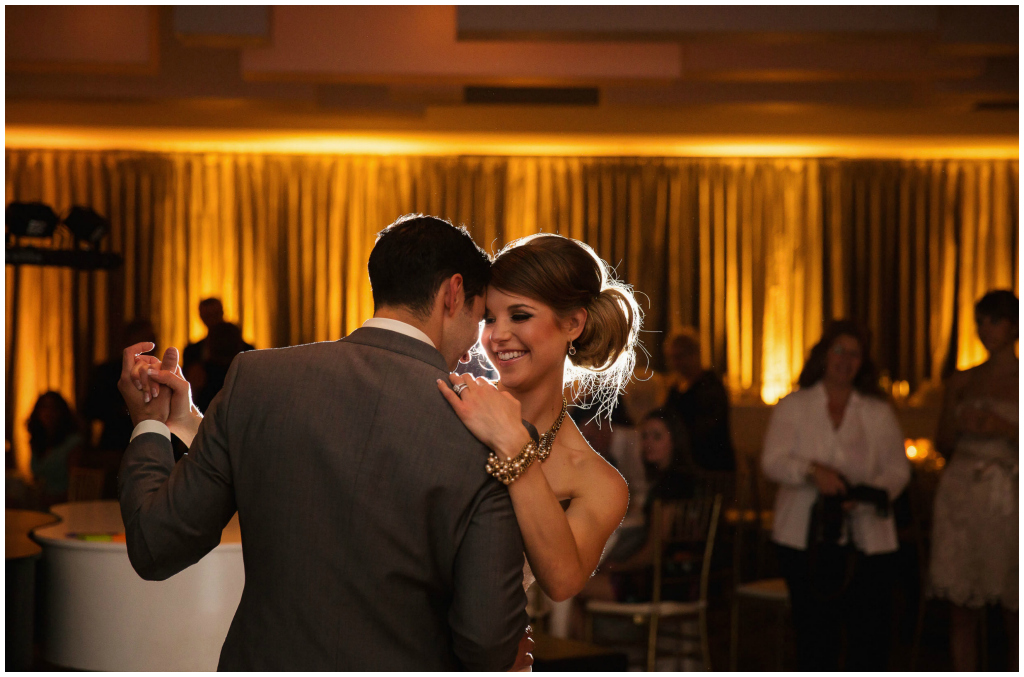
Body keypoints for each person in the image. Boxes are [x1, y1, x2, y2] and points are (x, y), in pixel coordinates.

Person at [117, 215, 532, 670]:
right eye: (480, 315)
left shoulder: (255, 380)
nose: (477, 343)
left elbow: (157, 545)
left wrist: (151, 422)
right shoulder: (487, 430)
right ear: (452, 294)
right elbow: (486, 643)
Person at [436, 233, 634, 604]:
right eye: (489, 318)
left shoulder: (599, 484)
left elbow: (562, 582)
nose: (498, 336)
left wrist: (514, 446)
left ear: (573, 323)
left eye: (520, 315)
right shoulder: (455, 402)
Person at [761, 319, 910, 671]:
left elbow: (898, 470)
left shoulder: (877, 412)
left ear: (863, 363)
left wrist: (866, 493)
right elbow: (773, 461)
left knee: (867, 635)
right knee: (814, 633)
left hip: (866, 538)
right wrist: (813, 472)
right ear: (824, 356)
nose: (845, 360)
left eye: (854, 354)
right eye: (839, 350)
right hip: (803, 536)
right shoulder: (794, 406)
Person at [929, 290, 1018, 672]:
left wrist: (1005, 427)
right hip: (961, 489)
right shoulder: (964, 379)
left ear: (1012, 326)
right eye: (980, 321)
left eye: (994, 321)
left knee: (1013, 600)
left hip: (1007, 493)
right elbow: (942, 442)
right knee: (960, 601)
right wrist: (954, 408)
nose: (986, 330)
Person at [578, 408, 695, 605]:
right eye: (645, 436)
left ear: (675, 440)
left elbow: (655, 549)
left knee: (572, 586)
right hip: (683, 578)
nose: (648, 443)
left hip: (664, 583)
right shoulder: (679, 480)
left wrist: (617, 567)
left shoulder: (669, 487)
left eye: (657, 436)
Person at [82, 320, 158, 496]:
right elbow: (89, 409)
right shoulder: (107, 372)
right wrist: (125, 410)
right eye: (145, 340)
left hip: (152, 449)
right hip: (115, 450)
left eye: (152, 340)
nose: (151, 345)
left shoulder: (160, 372)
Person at [662, 328, 736, 472]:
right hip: (685, 464)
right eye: (672, 358)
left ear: (694, 355)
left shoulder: (710, 386)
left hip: (710, 465)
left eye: (679, 357)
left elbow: (707, 427)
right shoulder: (675, 388)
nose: (675, 363)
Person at [28, 391, 85, 507]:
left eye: (53, 408)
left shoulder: (72, 443)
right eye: (44, 407)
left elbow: (76, 486)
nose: (48, 413)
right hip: (41, 504)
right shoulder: (39, 442)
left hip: (64, 505)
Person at [181, 298, 254, 377]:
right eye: (207, 315)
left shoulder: (247, 349)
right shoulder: (192, 351)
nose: (212, 319)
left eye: (215, 314)